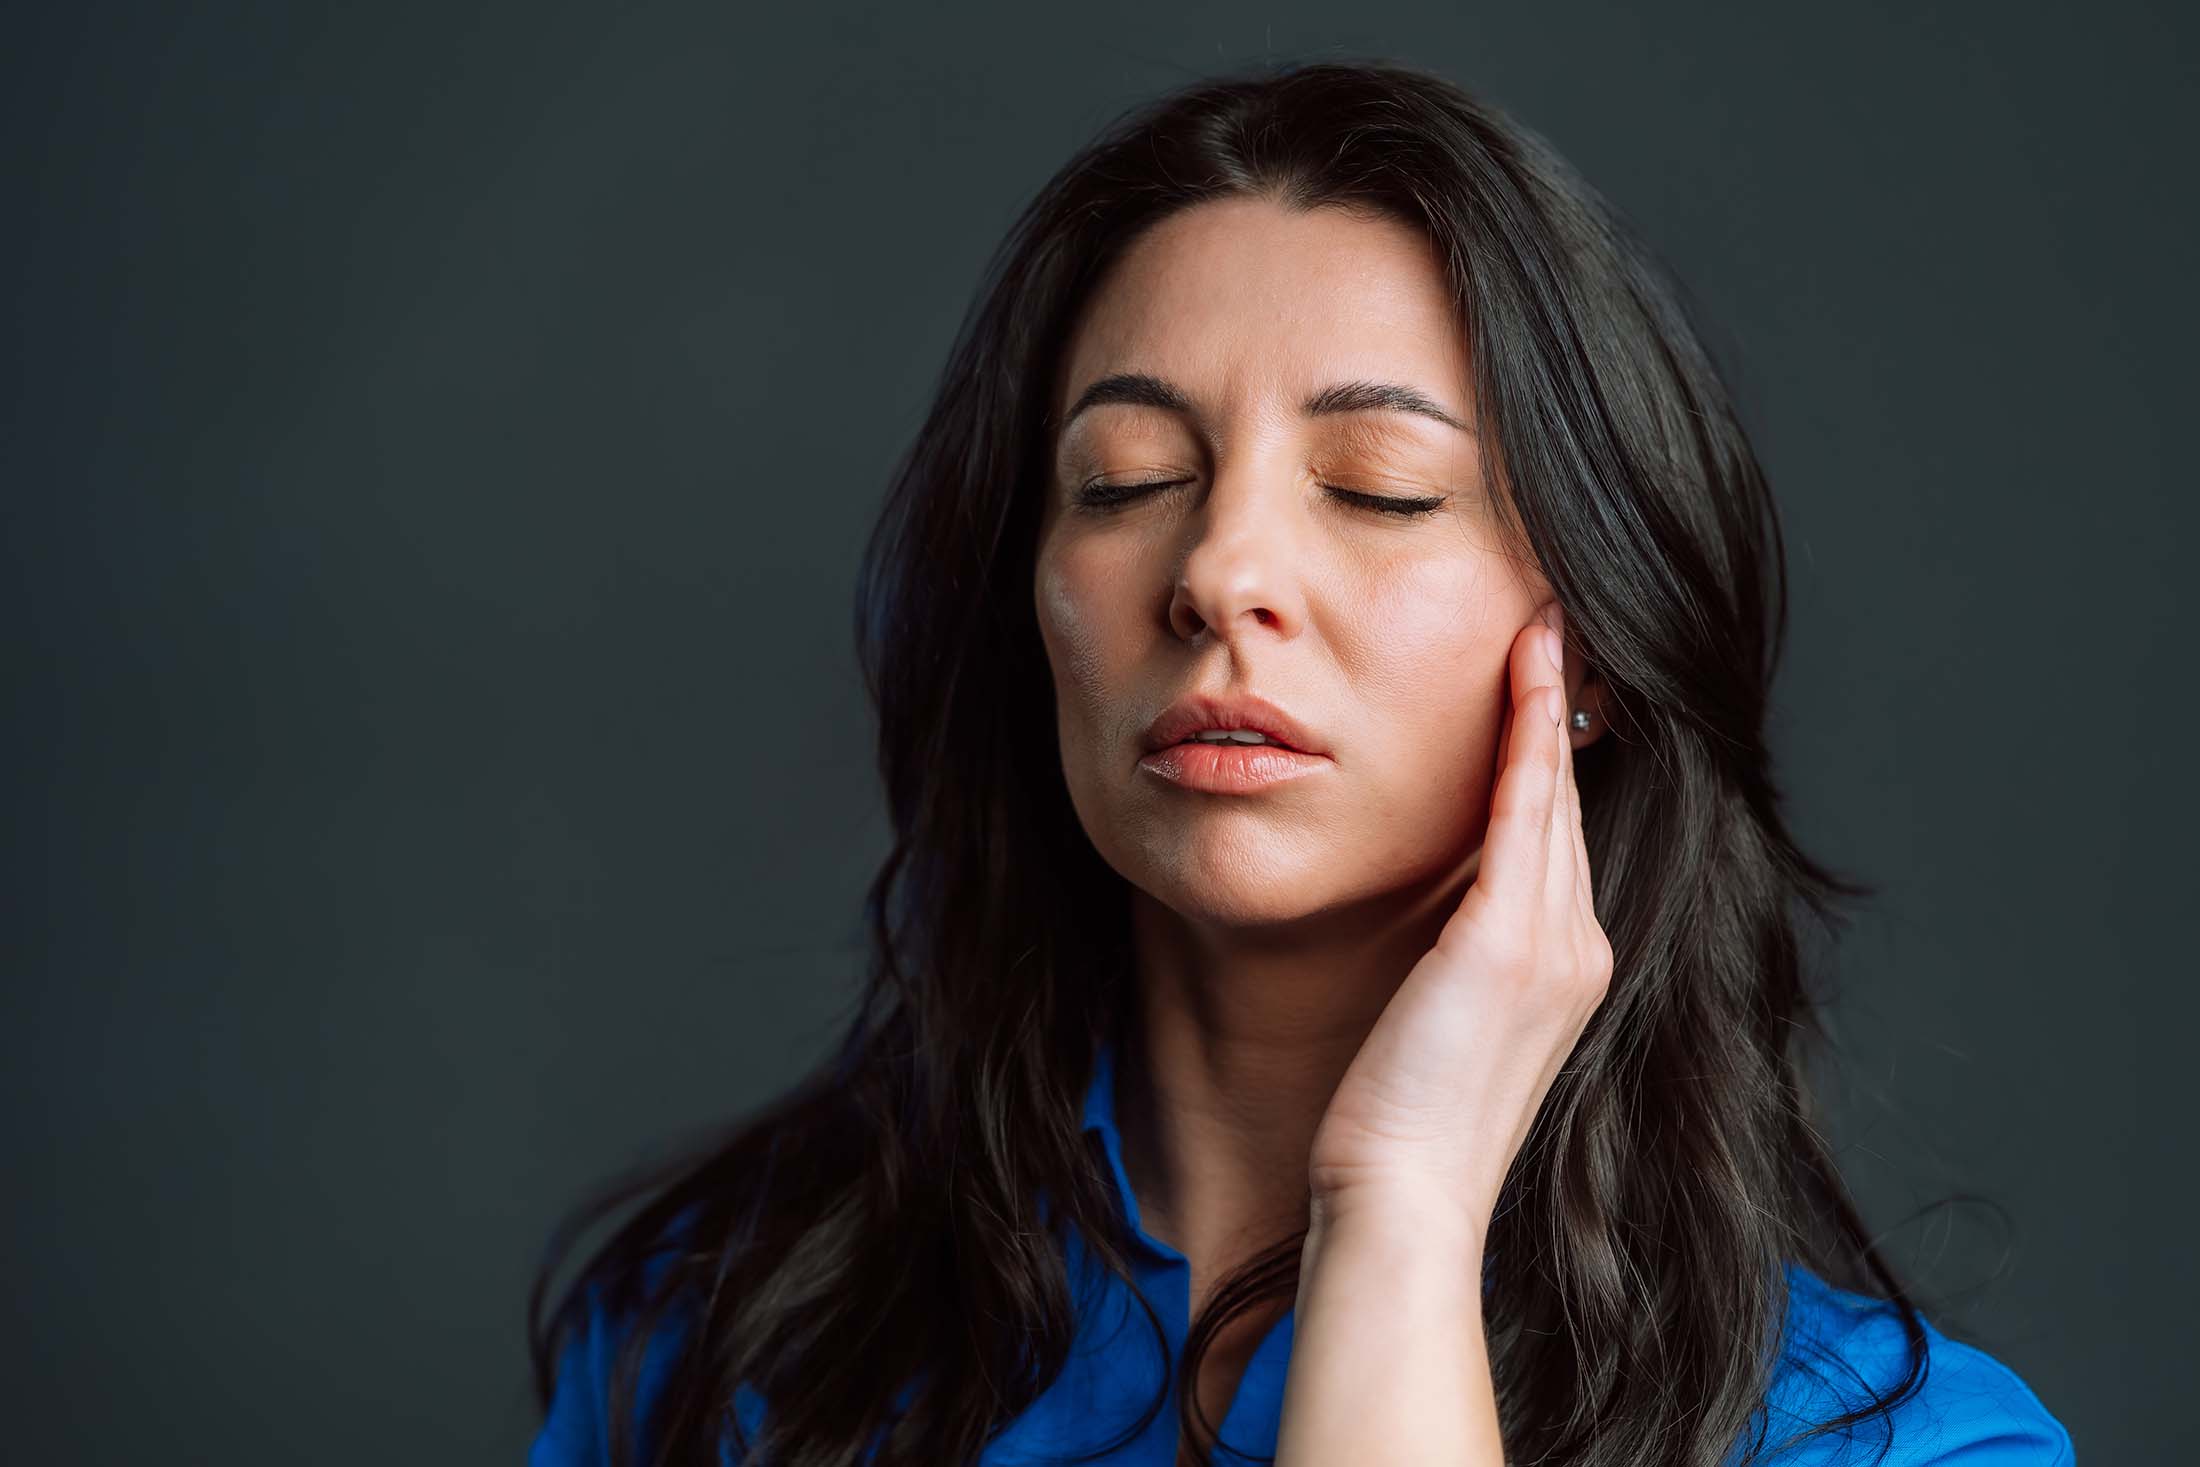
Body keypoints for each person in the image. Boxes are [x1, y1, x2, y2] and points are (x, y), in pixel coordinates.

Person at [526, 58, 2075, 1467]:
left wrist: (1401, 1214)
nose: (1219, 571)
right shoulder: (712, 1350)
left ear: (1596, 651)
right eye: (1127, 479)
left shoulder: (1900, 1448)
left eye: (1381, 486)